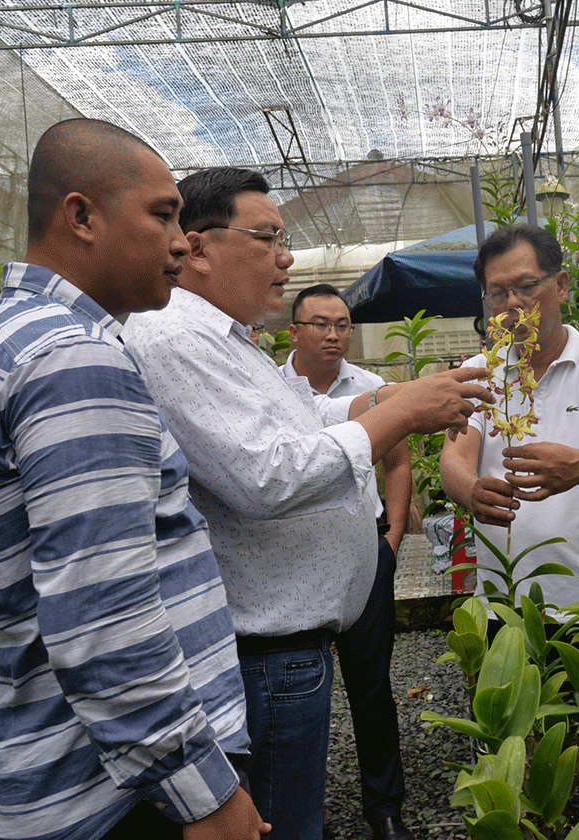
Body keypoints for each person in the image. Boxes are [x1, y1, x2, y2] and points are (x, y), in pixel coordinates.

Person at [122, 167, 488, 840]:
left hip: (287, 649)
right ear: (198, 248)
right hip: (267, 651)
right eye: (268, 238)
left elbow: (307, 421)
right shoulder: (177, 339)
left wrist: (403, 397)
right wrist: (403, 414)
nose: (287, 257)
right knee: (286, 826)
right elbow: (269, 474)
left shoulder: (226, 339)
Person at [0, 118, 267, 840]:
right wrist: (202, 793)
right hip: (114, 797)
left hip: (36, 773)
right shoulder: (73, 359)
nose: (182, 241)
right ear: (81, 216)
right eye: (162, 214)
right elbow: (102, 619)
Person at [440, 223, 579, 618]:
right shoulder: (479, 372)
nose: (513, 304)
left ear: (560, 285)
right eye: (498, 293)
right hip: (501, 608)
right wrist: (472, 491)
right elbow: (454, 459)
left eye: (527, 287)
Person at [280, 284, 413, 837]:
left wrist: (395, 537)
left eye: (343, 324)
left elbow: (399, 465)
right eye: (320, 324)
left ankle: (384, 809)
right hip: (296, 555)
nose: (334, 334)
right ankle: (299, 808)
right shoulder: (268, 385)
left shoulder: (374, 388)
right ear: (295, 330)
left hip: (367, 548)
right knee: (291, 684)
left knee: (371, 682)